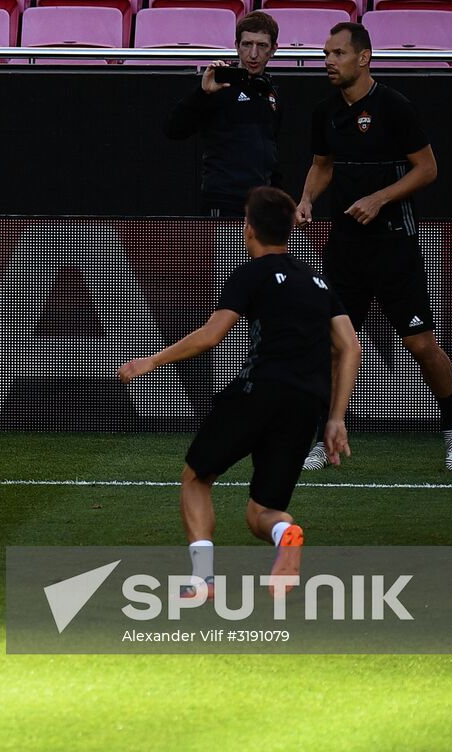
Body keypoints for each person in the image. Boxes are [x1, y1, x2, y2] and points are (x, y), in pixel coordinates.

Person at [118, 187, 359, 600]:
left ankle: (203, 580)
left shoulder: (249, 273)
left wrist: (150, 362)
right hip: (306, 406)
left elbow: (211, 336)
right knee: (260, 513)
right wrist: (335, 419)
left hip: (257, 392)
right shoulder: (319, 282)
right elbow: (350, 347)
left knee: (196, 477)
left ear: (248, 228)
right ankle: (286, 534)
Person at [296, 22, 452, 472]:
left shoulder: (394, 107)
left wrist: (380, 198)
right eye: (326, 53)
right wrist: (306, 199)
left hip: (395, 248)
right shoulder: (325, 111)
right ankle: (323, 439)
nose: (329, 62)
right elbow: (321, 165)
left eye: (337, 53)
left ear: (364, 57)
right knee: (335, 345)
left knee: (421, 344)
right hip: (344, 250)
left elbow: (427, 169)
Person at [164, 11, 282, 217]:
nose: (253, 54)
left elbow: (272, 150)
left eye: (261, 46)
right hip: (224, 199)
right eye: (247, 44)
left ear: (273, 49)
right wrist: (202, 93)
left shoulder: (271, 92)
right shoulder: (218, 87)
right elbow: (173, 129)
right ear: (236, 46)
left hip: (263, 201)